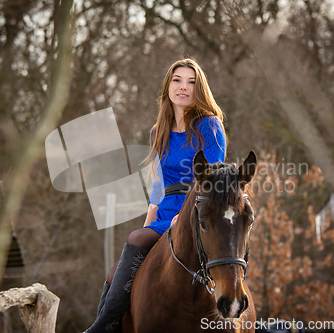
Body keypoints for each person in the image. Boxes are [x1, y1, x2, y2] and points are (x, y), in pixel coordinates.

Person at [85, 58, 227, 332]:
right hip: (166, 210)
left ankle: (100, 327)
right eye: (177, 80)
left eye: (191, 82)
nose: (183, 87)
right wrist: (150, 222)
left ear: (199, 89)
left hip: (197, 209)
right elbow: (158, 187)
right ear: (168, 86)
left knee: (134, 239)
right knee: (115, 272)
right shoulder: (157, 132)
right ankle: (109, 325)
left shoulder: (209, 126)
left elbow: (211, 179)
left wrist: (184, 217)